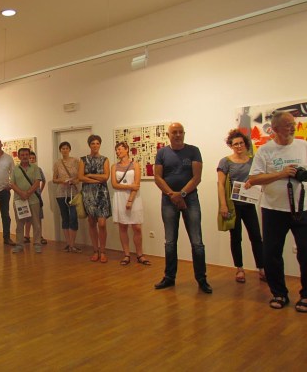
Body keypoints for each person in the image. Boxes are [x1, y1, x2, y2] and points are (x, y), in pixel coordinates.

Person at [249, 111, 307, 312]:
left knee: (306, 252)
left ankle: (306, 295)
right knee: (271, 253)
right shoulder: (265, 151)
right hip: (273, 209)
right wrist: (282, 174)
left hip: (302, 209)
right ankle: (279, 293)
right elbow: (253, 179)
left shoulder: (303, 146)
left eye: (293, 123)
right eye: (288, 124)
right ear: (274, 129)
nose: (293, 127)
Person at [153, 122, 212, 293]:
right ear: (168, 135)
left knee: (197, 242)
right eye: (174, 132)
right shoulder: (162, 153)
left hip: (190, 199)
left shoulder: (193, 150)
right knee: (170, 242)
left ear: (184, 134)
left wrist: (182, 194)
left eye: (180, 132)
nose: (178, 135)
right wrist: (172, 195)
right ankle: (169, 277)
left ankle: (201, 279)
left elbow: (197, 177)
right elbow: (158, 177)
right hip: (168, 200)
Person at [217, 130, 264, 283]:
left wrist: (254, 182)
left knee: (256, 237)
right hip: (233, 206)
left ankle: (262, 268)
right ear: (231, 145)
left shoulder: (253, 161)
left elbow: (259, 179)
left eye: (241, 143)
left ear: (245, 144)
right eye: (235, 144)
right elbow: (220, 184)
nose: (238, 146)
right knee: (236, 238)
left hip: (249, 205)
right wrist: (223, 205)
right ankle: (239, 269)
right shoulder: (225, 162)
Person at [111, 142, 150, 266]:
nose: (118, 151)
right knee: (123, 227)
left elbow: (136, 184)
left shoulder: (135, 165)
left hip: (133, 198)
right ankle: (126, 254)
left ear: (127, 149)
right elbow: (114, 184)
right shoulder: (114, 166)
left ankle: (140, 254)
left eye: (120, 149)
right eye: (117, 150)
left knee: (137, 227)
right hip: (119, 197)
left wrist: (130, 200)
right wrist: (129, 186)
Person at [78, 135, 111, 263]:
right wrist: (97, 179)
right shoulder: (83, 160)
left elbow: (106, 177)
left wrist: (90, 175)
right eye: (93, 143)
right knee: (91, 222)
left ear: (100, 145)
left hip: (102, 194)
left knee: (102, 224)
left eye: (97, 143)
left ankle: (103, 251)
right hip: (88, 194)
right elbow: (81, 177)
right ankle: (95, 251)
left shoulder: (105, 159)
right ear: (89, 145)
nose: (95, 145)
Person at [10, 148, 43, 253]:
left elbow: (37, 182)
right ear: (19, 156)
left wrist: (28, 193)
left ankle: (37, 244)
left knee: (36, 224)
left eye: (26, 154)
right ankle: (19, 245)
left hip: (33, 200)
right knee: (20, 225)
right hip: (19, 201)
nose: (24, 156)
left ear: (29, 156)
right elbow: (12, 184)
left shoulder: (35, 168)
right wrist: (21, 193)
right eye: (22, 155)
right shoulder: (15, 169)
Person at [53, 141, 80, 252]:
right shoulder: (57, 163)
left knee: (73, 217)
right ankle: (68, 244)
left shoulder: (76, 161)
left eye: (66, 148)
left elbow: (80, 177)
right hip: (61, 194)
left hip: (74, 193)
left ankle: (73, 244)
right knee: (65, 218)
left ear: (69, 149)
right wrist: (62, 180)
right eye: (63, 148)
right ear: (60, 150)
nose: (65, 150)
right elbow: (54, 179)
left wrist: (74, 181)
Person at [24, 151, 47, 244]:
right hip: (27, 196)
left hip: (36, 197)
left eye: (33, 158)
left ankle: (39, 236)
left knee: (38, 217)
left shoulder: (38, 169)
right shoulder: (23, 169)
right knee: (27, 217)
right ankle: (27, 236)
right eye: (30, 158)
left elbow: (43, 180)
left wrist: (40, 191)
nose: (32, 160)